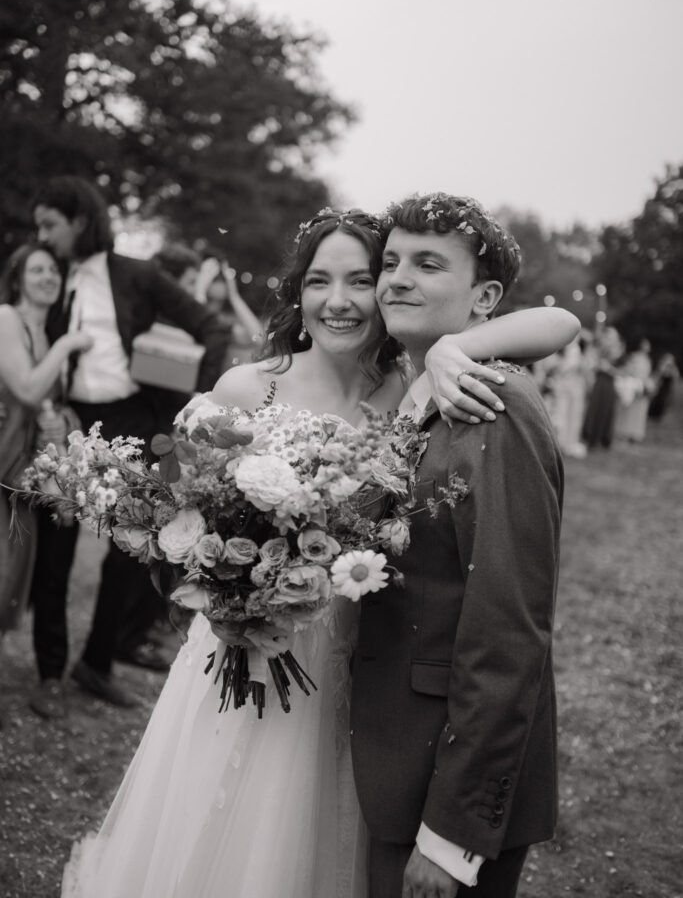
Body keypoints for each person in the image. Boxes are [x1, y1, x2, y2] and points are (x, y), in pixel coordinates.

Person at [60, 208, 578, 897]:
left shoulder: (416, 387)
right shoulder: (248, 388)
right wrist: (221, 590)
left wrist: (457, 348)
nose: (338, 300)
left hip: (356, 666)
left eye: (361, 278)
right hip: (243, 654)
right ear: (297, 293)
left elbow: (558, 324)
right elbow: (164, 524)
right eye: (317, 281)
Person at [350, 193, 564, 898]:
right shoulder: (417, 396)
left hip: (440, 784)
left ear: (485, 299)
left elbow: (506, 631)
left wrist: (451, 837)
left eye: (427, 264)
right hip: (395, 753)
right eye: (389, 262)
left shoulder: (487, 405)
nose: (395, 280)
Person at [31, 175, 230, 712]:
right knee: (56, 551)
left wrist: (194, 401)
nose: (44, 237)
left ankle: (96, 665)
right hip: (68, 423)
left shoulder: (136, 275)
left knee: (130, 551)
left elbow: (211, 327)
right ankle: (50, 673)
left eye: (51, 224)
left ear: (78, 220)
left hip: (133, 422)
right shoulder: (44, 275)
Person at [0, 244, 91, 722]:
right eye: (37, 269)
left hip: (31, 471)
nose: (47, 277)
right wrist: (69, 345)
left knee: (20, 576)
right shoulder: (7, 320)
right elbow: (29, 389)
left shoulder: (50, 329)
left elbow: (49, 403)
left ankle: (50, 675)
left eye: (53, 270)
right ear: (18, 278)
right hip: (2, 463)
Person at [581, 325, 624, 450]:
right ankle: (590, 437)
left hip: (609, 383)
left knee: (606, 409)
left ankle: (603, 438)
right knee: (595, 408)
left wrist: (608, 369)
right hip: (599, 382)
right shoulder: (600, 349)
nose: (609, 338)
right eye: (608, 336)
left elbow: (622, 372)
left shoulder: (619, 352)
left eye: (611, 336)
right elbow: (592, 364)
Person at [613, 339, 653, 443]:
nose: (647, 347)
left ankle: (635, 433)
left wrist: (646, 383)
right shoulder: (634, 357)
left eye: (648, 346)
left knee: (640, 411)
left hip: (642, 387)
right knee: (628, 410)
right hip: (633, 385)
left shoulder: (648, 360)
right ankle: (624, 432)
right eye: (645, 345)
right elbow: (629, 369)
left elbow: (647, 374)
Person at [648, 352, 680, 422]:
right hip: (660, 389)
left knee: (665, 402)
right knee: (658, 402)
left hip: (667, 390)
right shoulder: (661, 367)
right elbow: (656, 376)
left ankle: (660, 415)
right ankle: (654, 415)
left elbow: (676, 378)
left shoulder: (674, 369)